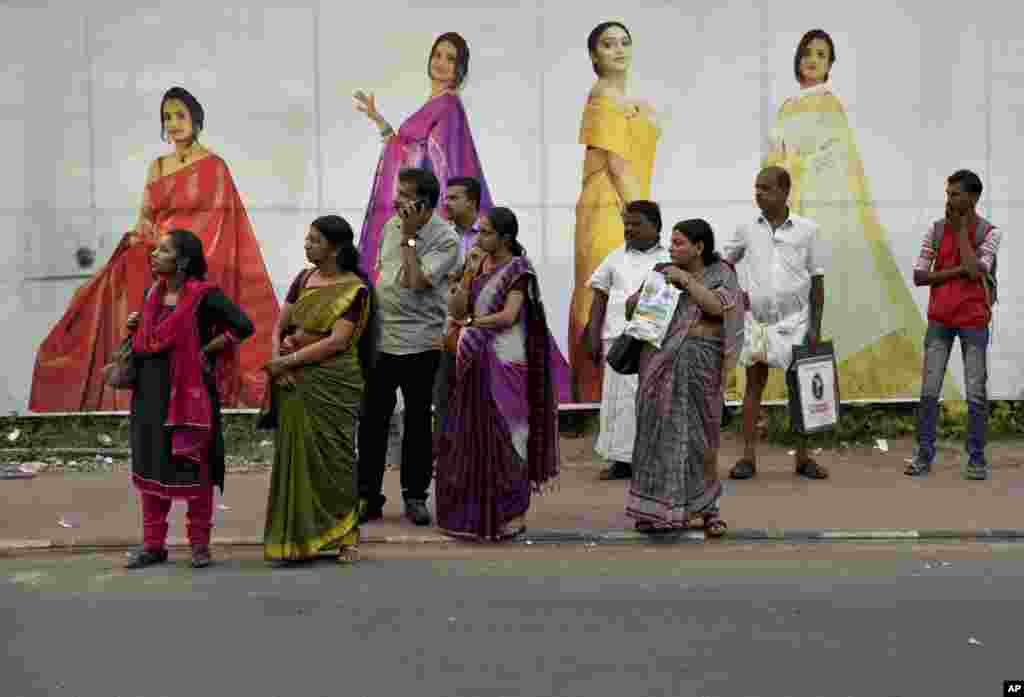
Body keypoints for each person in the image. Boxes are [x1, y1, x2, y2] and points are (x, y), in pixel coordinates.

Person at [30, 86, 278, 412]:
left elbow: (219, 225)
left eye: (180, 115)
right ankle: (122, 386)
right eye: (167, 117)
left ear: (196, 120)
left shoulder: (215, 166)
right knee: (104, 286)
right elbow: (146, 218)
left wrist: (179, 253)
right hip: (157, 254)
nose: (173, 123)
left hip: (194, 257)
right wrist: (140, 238)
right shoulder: (158, 166)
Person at [752, 28, 930, 401]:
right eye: (807, 53)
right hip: (785, 200)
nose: (813, 60)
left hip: (817, 204)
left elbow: (835, 158)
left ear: (830, 65)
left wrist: (793, 165)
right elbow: (774, 156)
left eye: (822, 54)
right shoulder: (787, 105)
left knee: (825, 287)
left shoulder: (828, 103)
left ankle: (830, 390)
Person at [124, 230, 254, 569]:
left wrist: (208, 349)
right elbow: (147, 341)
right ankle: (154, 545)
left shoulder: (204, 296)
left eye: (163, 251)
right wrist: (134, 327)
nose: (154, 254)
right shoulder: (152, 295)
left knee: (196, 468)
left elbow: (243, 325)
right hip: (150, 397)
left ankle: (199, 545)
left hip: (190, 398)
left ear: (182, 261)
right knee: (152, 466)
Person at [436, 207, 561, 541]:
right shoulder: (477, 265)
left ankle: (513, 512)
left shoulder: (518, 269)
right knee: (471, 435)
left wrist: (473, 324)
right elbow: (457, 310)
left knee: (508, 435)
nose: (479, 238)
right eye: (478, 232)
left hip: (506, 362)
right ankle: (477, 514)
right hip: (473, 358)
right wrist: (466, 275)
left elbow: (508, 316)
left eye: (486, 232)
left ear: (505, 237)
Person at [262, 215, 377, 564]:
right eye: (307, 239)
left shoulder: (354, 289)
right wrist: (277, 363)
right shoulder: (302, 279)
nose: (307, 244)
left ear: (335, 247)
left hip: (332, 382)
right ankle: (299, 538)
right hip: (294, 380)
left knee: (336, 458)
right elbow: (279, 326)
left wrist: (286, 362)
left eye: (314, 240)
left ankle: (346, 534)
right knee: (296, 458)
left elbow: (338, 343)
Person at [625, 220, 742, 536]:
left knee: (700, 441)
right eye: (672, 243)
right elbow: (630, 309)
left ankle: (707, 510)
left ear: (699, 247)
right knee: (655, 437)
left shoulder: (721, 273)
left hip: (700, 371)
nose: (672, 249)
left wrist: (686, 282)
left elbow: (719, 307)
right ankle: (654, 510)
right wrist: (642, 297)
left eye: (679, 243)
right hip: (659, 366)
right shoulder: (661, 270)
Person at [358, 168, 459, 526]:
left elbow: (416, 282)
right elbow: (383, 273)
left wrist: (411, 239)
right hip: (383, 340)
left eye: (404, 194)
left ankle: (415, 497)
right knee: (372, 421)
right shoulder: (390, 226)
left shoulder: (446, 239)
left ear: (425, 203)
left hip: (422, 341)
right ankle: (367, 496)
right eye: (397, 192)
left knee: (418, 422)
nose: (396, 199)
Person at [570, 21, 661, 403]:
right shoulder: (603, 96)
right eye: (608, 45)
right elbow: (618, 166)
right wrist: (645, 216)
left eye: (625, 42)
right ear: (594, 55)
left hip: (624, 203)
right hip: (610, 206)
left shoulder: (623, 99)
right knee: (607, 292)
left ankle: (621, 391)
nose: (618, 50)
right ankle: (598, 392)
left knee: (625, 288)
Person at [354, 32, 493, 279]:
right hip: (413, 201)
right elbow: (407, 146)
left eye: (450, 59)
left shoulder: (448, 105)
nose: (441, 62)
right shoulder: (435, 102)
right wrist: (379, 121)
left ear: (459, 68)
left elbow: (441, 160)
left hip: (426, 208)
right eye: (437, 55)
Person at [724, 166, 828, 480]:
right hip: (757, 322)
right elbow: (726, 262)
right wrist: (734, 294)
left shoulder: (807, 230)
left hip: (797, 322)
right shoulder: (746, 228)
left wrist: (815, 328)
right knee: (753, 387)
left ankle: (804, 458)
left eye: (766, 188)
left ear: (785, 192)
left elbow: (817, 280)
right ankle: (747, 458)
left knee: (800, 391)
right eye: (756, 187)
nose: (759, 193)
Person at [906, 170, 1002, 480]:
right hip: (940, 319)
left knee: (975, 391)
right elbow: (920, 276)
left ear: (973, 198)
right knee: (929, 390)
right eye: (948, 194)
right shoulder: (934, 230)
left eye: (956, 194)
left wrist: (961, 232)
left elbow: (977, 272)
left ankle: (976, 459)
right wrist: (959, 269)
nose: (949, 200)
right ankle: (923, 455)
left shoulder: (990, 232)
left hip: (973, 320)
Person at [585, 200, 670, 481]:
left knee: (650, 402)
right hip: (618, 341)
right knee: (618, 404)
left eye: (636, 224)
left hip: (656, 342)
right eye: (626, 224)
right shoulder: (615, 257)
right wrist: (593, 334)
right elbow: (599, 297)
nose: (629, 229)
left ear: (655, 226)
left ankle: (651, 460)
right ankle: (621, 462)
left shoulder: (671, 258)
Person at [434, 176, 485, 445]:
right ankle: (445, 451)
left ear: (472, 202)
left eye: (454, 197)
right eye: (446, 197)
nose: (446, 202)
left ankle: (479, 451)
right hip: (447, 328)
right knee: (445, 394)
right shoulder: (440, 236)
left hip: (481, 329)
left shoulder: (490, 236)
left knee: (480, 394)